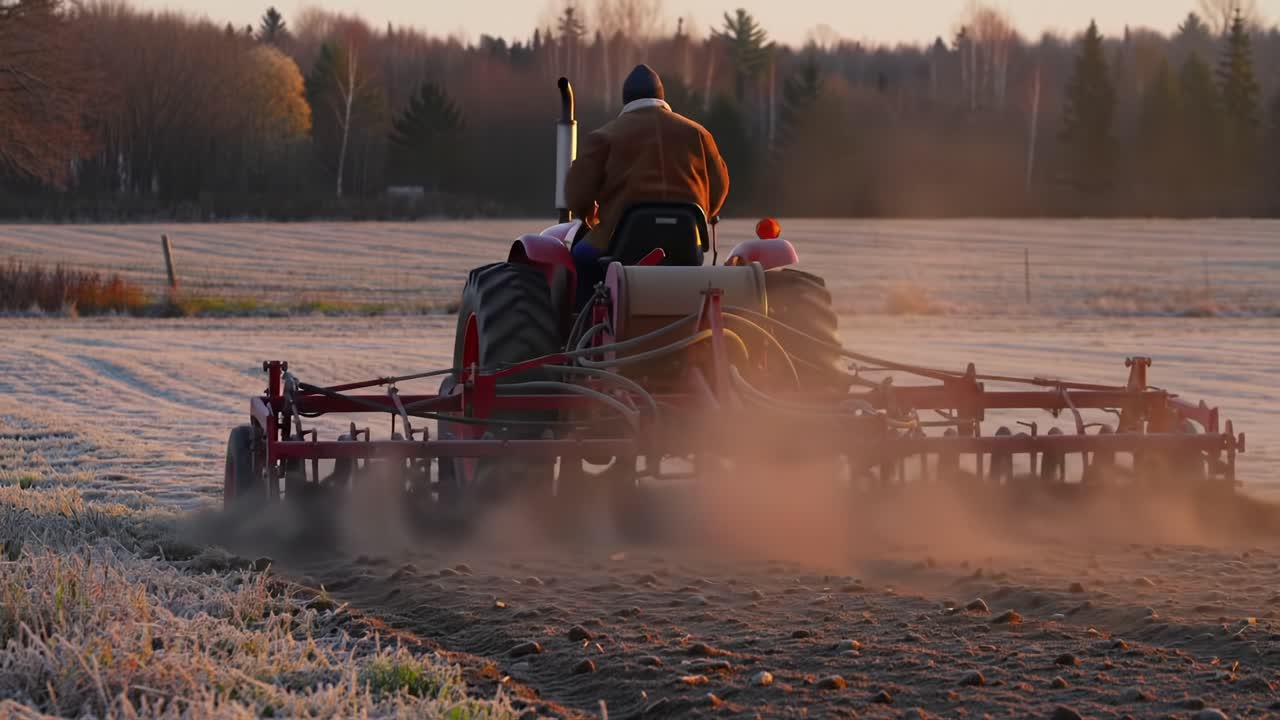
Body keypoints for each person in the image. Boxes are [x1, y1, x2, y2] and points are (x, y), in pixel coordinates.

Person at [565, 64, 730, 305]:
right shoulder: (698, 134)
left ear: (626, 99)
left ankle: (582, 330)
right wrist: (705, 215)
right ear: (661, 97)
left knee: (578, 258)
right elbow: (720, 186)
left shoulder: (604, 136)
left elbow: (578, 194)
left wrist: (588, 215)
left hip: (621, 247)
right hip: (686, 245)